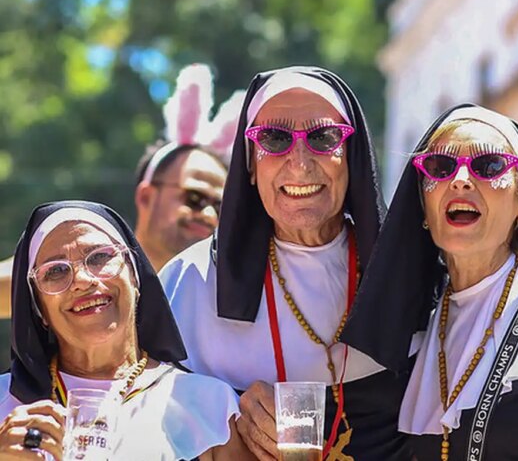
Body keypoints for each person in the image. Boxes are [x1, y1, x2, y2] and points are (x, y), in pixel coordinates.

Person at [160, 66, 413, 460]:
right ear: (249, 162)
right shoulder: (186, 284)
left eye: (324, 137)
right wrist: (219, 410)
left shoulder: (407, 278)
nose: (299, 163)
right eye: (274, 138)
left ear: (352, 155)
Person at [340, 104, 518, 460]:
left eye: (489, 166)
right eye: (440, 167)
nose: (461, 180)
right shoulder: (416, 335)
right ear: (423, 205)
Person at [0, 200, 250, 460]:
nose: (82, 281)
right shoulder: (5, 403)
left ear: (135, 276)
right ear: (39, 310)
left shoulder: (210, 405)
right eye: (56, 271)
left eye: (99, 257)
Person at [134, 63, 243, 272]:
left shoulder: (231, 302)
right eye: (195, 199)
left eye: (221, 208)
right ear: (146, 197)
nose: (210, 216)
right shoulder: (102, 289)